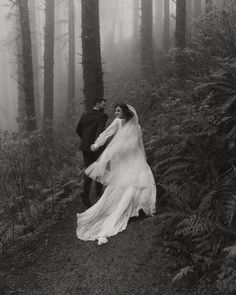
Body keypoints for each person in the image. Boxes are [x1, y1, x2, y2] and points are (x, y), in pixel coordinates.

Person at [76, 103, 156, 245]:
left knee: (138, 180)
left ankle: (137, 207)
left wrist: (143, 157)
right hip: (121, 158)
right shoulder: (117, 122)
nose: (116, 112)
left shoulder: (136, 126)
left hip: (133, 156)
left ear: (125, 112)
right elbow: (106, 133)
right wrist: (96, 145)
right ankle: (124, 207)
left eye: (119, 110)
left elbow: (140, 143)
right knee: (122, 183)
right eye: (115, 110)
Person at [76, 99, 108, 208]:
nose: (104, 106)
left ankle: (85, 192)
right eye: (103, 104)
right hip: (96, 146)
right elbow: (100, 131)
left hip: (85, 146)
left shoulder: (85, 114)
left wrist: (85, 140)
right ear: (97, 103)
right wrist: (96, 144)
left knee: (89, 167)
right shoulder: (102, 116)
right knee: (99, 166)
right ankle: (98, 191)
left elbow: (78, 129)